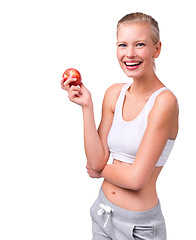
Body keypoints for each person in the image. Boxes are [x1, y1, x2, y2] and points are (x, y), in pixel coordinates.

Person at [61, 12, 179, 240]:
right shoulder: (114, 94)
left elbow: (137, 179)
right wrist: (87, 106)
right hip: (103, 213)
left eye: (140, 44)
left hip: (139, 228)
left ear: (157, 49)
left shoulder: (165, 102)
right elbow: (96, 159)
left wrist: (101, 170)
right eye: (122, 45)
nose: (129, 54)